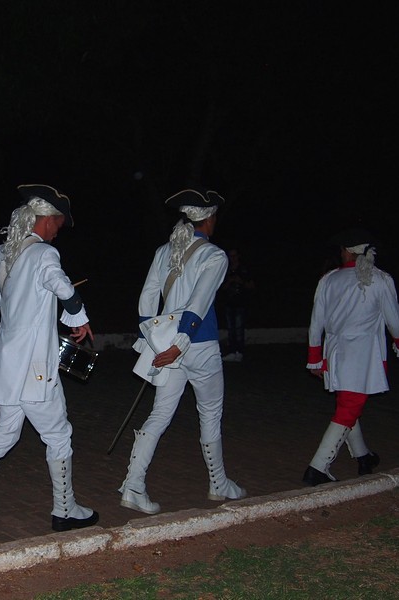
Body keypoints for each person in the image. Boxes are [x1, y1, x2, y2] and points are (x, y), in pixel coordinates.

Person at [0, 184, 98, 541]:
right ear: (46, 220)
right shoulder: (44, 255)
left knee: (6, 432)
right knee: (59, 434)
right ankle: (64, 509)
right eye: (58, 222)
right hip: (34, 368)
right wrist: (79, 317)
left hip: (7, 362)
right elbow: (63, 287)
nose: (59, 229)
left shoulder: (0, 254)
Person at [119, 188, 246, 516]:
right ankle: (217, 483)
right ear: (210, 219)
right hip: (197, 345)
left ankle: (133, 485)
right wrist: (178, 345)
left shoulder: (164, 251)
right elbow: (198, 305)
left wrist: (154, 340)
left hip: (166, 347)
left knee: (159, 414)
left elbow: (147, 298)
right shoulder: (215, 256)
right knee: (210, 413)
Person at [303, 227, 399, 485]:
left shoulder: (328, 280)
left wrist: (316, 355)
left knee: (347, 404)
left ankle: (363, 456)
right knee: (349, 408)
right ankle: (317, 468)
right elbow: (394, 320)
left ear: (347, 252)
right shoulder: (381, 279)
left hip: (337, 352)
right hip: (361, 353)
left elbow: (316, 323)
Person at [219, 247, 254, 362]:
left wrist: (241, 282)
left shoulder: (243, 269)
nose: (232, 259)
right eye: (231, 256)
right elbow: (221, 287)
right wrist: (229, 282)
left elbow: (251, 286)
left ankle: (239, 351)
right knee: (231, 329)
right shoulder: (227, 270)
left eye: (234, 256)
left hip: (241, 303)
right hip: (229, 303)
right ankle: (232, 351)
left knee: (239, 329)